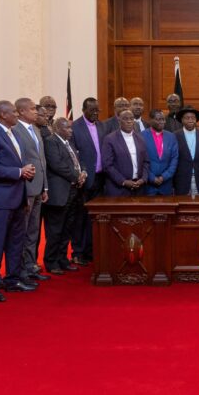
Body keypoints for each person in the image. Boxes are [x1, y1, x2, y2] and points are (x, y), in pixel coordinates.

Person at [0, 100, 37, 302]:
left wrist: (25, 171)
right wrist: (19, 172)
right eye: (14, 112)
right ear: (3, 115)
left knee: (15, 242)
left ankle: (12, 279)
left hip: (16, 197)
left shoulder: (12, 133)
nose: (17, 115)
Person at [12, 98, 50, 283]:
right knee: (23, 231)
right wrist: (23, 191)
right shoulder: (15, 130)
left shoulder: (35, 129)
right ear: (21, 111)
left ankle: (30, 265)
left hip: (38, 187)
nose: (37, 112)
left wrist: (45, 186)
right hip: (26, 189)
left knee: (34, 230)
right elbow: (20, 161)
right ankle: (19, 269)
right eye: (33, 109)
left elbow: (41, 160)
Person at [43, 118, 87, 274]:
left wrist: (82, 173)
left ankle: (62, 259)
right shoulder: (51, 141)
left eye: (71, 127)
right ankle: (51, 261)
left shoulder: (69, 143)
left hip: (74, 191)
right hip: (59, 192)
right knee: (55, 229)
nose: (71, 130)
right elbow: (57, 165)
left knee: (67, 228)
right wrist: (76, 176)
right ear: (57, 128)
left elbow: (78, 161)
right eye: (67, 128)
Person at [70, 97, 105, 266]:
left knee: (96, 218)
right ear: (84, 109)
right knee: (80, 217)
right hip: (84, 179)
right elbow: (74, 154)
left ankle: (92, 250)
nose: (96, 113)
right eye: (92, 110)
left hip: (101, 178)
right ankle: (78, 251)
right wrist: (80, 173)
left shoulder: (102, 126)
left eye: (98, 110)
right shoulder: (75, 127)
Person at [102, 109, 150, 196]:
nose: (129, 121)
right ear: (119, 121)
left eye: (131, 119)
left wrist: (143, 179)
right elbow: (107, 165)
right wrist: (123, 181)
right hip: (118, 188)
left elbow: (146, 162)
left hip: (139, 188)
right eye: (125, 119)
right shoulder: (110, 139)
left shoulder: (140, 138)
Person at [174, 105, 199, 196]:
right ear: (182, 120)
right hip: (182, 178)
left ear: (196, 120)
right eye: (187, 118)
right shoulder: (175, 135)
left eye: (193, 118)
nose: (190, 120)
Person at [142, 109, 179, 195]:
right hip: (148, 185)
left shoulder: (171, 136)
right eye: (158, 119)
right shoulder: (141, 136)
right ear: (150, 120)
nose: (162, 122)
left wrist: (164, 177)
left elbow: (174, 159)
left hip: (166, 185)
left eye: (163, 119)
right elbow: (140, 160)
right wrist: (151, 177)